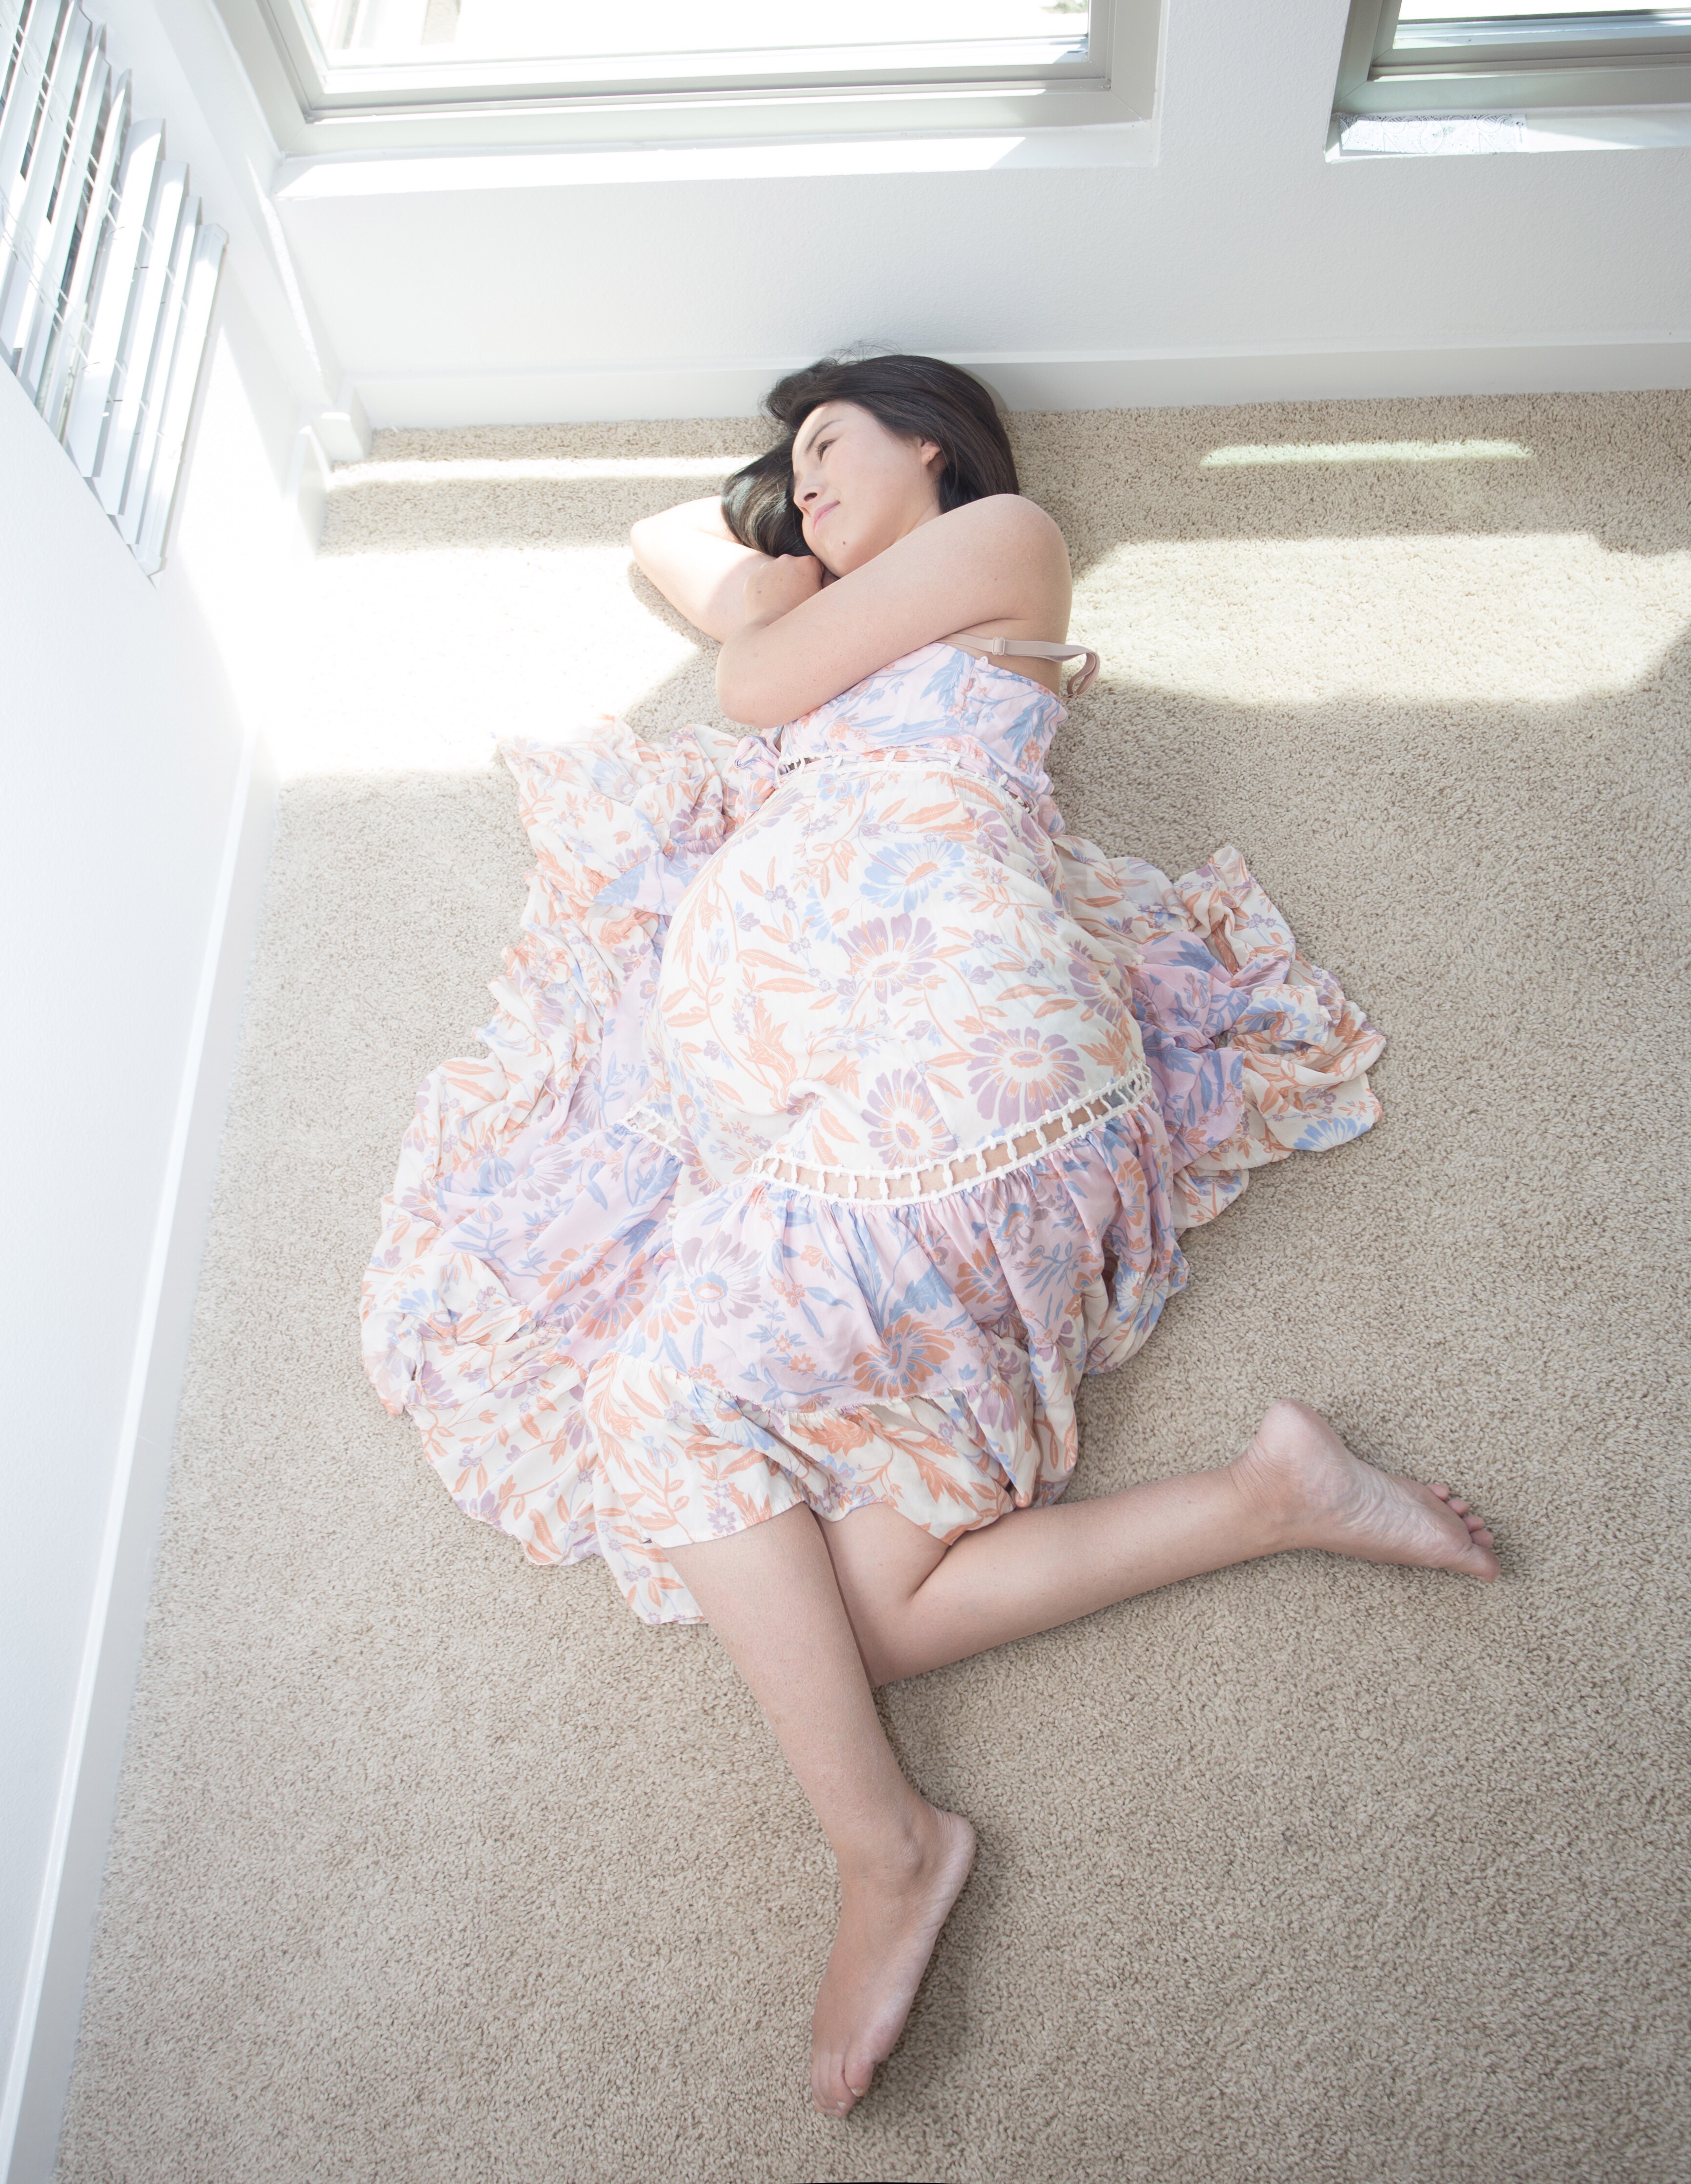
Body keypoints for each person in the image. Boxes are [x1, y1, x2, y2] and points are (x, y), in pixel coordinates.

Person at [362, 354, 1496, 2124]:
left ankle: (884, 1848)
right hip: (898, 1135)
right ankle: (1277, 1499)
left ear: (937, 446)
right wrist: (772, 554)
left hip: (963, 1065)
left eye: (833, 444)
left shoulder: (1009, 542)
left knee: (657, 1405)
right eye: (792, 471)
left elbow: (748, 669)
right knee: (857, 1616)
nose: (805, 483)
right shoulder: (851, 621)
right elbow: (675, 544)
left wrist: (776, 600)